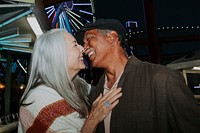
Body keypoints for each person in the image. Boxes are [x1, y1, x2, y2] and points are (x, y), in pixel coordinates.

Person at [77, 18, 200, 133]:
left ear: (112, 38)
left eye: (89, 39)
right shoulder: (95, 94)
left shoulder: (162, 78)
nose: (84, 48)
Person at [18, 29, 122, 133]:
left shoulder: (80, 86)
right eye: (75, 45)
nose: (83, 49)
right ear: (57, 54)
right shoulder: (38, 100)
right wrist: (93, 118)